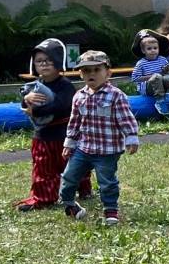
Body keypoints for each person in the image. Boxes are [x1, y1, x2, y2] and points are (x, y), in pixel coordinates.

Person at [59, 50, 140, 225]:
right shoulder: (79, 96)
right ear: (81, 74)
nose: (91, 74)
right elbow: (74, 121)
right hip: (83, 147)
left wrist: (131, 136)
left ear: (108, 73)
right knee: (68, 177)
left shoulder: (116, 95)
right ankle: (70, 205)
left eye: (96, 70)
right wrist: (70, 143)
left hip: (107, 150)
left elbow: (126, 118)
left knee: (107, 181)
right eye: (86, 71)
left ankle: (110, 210)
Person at [16, 38, 91, 212]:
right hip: (42, 136)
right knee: (43, 167)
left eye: (49, 60)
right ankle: (44, 198)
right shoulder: (35, 86)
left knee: (73, 166)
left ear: (58, 62)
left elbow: (60, 106)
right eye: (39, 61)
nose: (44, 65)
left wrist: (35, 112)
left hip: (64, 135)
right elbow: (25, 107)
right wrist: (25, 100)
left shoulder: (65, 86)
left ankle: (83, 189)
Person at [130, 28, 169, 115]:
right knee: (157, 76)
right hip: (148, 89)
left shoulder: (162, 60)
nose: (153, 50)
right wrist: (152, 76)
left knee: (167, 78)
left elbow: (168, 75)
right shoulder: (141, 63)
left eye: (155, 48)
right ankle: (160, 101)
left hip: (161, 86)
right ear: (143, 51)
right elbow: (135, 79)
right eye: (149, 49)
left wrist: (168, 71)